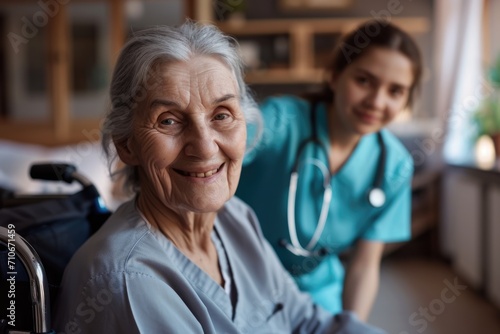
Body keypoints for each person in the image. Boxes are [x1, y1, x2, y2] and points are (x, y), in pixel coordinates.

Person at [53, 21, 386, 333]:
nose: (204, 146)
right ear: (127, 145)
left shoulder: (235, 218)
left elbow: (308, 321)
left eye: (222, 115)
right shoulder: (126, 281)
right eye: (168, 120)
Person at [236, 20, 421, 321]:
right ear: (335, 76)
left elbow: (364, 264)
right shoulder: (281, 120)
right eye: (364, 80)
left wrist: (350, 325)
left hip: (317, 291)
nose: (376, 101)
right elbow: (216, 152)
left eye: (396, 91)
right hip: (242, 275)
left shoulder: (395, 167)